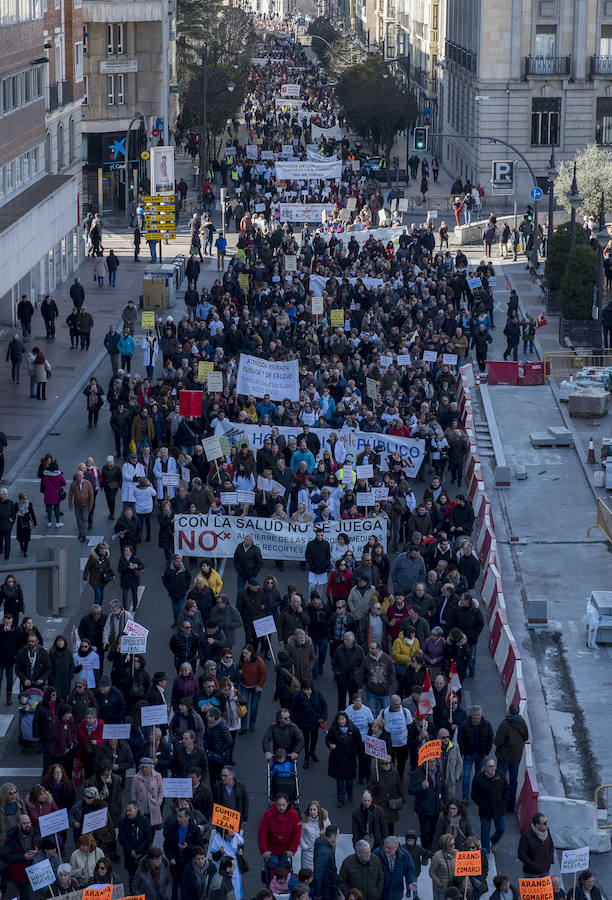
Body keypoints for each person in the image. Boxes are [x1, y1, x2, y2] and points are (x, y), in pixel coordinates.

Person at [470, 756, 509, 853]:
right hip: (485, 810)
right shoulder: (478, 778)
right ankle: (485, 851)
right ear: (485, 768)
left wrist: (504, 803)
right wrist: (481, 804)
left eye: (494, 765)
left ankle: (494, 841)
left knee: (501, 829)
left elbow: (507, 789)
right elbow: (474, 794)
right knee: (485, 832)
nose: (493, 768)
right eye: (490, 766)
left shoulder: (501, 775)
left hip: (499, 809)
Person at [326, 710, 362, 807]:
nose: (341, 721)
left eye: (343, 718)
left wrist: (353, 751)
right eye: (339, 719)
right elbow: (328, 739)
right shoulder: (333, 729)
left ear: (346, 719)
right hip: (337, 759)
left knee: (350, 782)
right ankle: (340, 799)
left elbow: (358, 742)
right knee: (340, 782)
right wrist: (330, 745)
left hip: (350, 759)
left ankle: (350, 792)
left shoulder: (353, 729)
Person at [257, 792, 301, 873]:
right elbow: (262, 833)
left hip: (286, 850)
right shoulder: (268, 814)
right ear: (275, 803)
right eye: (279, 805)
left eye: (283, 805)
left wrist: (292, 850)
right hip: (271, 850)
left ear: (287, 804)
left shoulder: (294, 815)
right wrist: (264, 850)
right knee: (273, 872)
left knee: (285, 873)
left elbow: (296, 834)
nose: (281, 807)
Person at [373, 835, 417, 900]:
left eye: (389, 848)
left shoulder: (404, 855)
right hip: (381, 891)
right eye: (385, 847)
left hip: (397, 892)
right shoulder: (376, 854)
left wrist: (411, 881)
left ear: (396, 848)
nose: (386, 850)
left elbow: (409, 869)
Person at [517, 811, 554, 876]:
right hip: (531, 873)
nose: (547, 825)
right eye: (545, 823)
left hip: (545, 870)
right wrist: (533, 865)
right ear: (537, 825)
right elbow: (521, 854)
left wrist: (549, 860)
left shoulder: (547, 831)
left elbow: (551, 845)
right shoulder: (526, 836)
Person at [313, 824, 339, 900]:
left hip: (327, 886)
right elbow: (318, 873)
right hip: (325, 889)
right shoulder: (324, 851)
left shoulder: (324, 846)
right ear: (333, 835)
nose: (338, 837)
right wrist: (319, 893)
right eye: (337, 835)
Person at [68, 470, 94, 543]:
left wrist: (90, 506)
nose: (78, 477)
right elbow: (70, 495)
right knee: (79, 520)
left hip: (86, 505)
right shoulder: (73, 484)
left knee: (85, 520)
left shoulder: (88, 483)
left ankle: (84, 535)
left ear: (83, 476)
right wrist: (70, 504)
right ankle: (80, 533)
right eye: (77, 476)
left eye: (80, 476)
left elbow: (92, 495)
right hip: (77, 505)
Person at [429, 834, 457, 900]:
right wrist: (439, 882)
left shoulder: (457, 853)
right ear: (445, 846)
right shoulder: (437, 857)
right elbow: (431, 872)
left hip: (453, 887)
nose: (454, 846)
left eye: (454, 844)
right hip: (441, 889)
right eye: (451, 845)